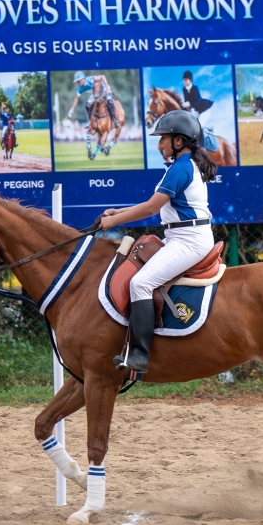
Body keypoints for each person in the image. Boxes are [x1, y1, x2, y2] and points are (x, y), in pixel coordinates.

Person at [98, 110, 217, 374]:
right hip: (180, 236)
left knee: (140, 283)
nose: (159, 144)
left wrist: (113, 222)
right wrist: (119, 212)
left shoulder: (181, 168)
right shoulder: (182, 166)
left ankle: (140, 355)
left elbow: (152, 208)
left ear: (179, 140)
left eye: (163, 138)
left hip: (189, 241)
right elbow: (153, 203)